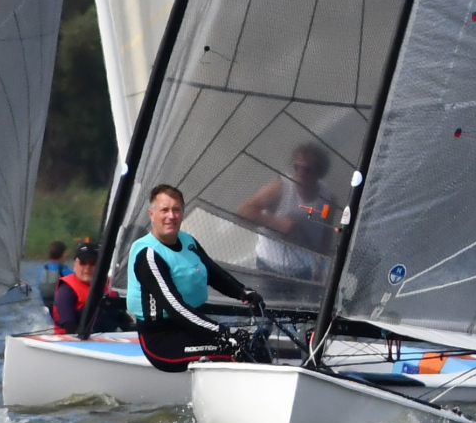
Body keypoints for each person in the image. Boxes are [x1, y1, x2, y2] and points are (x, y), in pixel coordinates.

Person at [124, 185, 263, 372]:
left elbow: (213, 272)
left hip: (191, 327)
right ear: (152, 214)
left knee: (252, 343)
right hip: (161, 339)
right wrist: (220, 331)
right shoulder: (148, 255)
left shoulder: (187, 240)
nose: (171, 216)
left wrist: (242, 292)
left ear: (182, 213)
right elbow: (175, 307)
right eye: (164, 210)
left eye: (176, 210)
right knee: (233, 348)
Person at [234, 144, 339, 283]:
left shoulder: (327, 198)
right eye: (296, 167)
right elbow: (243, 210)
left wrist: (321, 265)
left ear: (319, 173)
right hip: (270, 266)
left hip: (302, 270)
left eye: (307, 170)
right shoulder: (281, 188)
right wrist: (279, 224)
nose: (300, 174)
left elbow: (326, 230)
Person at [47, 241, 104, 333]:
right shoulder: (66, 291)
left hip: (107, 337)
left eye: (93, 263)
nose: (87, 268)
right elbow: (69, 326)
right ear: (74, 265)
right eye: (83, 263)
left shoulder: (107, 287)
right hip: (71, 338)